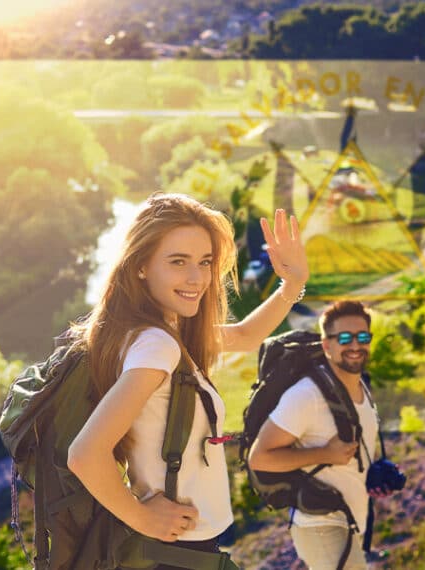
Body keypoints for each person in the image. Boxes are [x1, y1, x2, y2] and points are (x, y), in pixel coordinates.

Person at [66, 193, 309, 569]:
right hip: (176, 550)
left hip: (177, 547)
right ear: (141, 266)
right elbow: (85, 454)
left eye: (205, 262)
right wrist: (141, 516)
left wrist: (293, 284)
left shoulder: (150, 333)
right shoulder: (156, 346)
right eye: (178, 262)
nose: (197, 278)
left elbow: (243, 336)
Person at [246, 301, 385, 570]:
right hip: (321, 524)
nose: (355, 345)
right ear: (326, 345)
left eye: (363, 337)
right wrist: (324, 454)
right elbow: (259, 458)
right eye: (344, 338)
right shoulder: (306, 395)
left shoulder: (361, 388)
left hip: (350, 522)